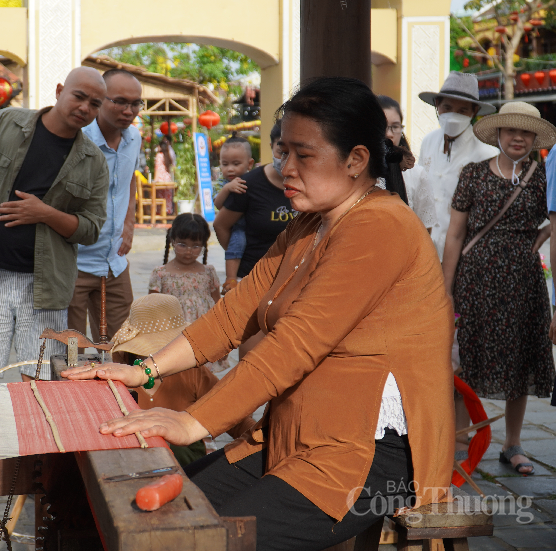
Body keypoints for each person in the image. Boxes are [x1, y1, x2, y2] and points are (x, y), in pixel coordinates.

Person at [65, 77, 454, 551]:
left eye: (303, 155)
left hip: (366, 458)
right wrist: (145, 371)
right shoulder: (310, 223)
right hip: (298, 432)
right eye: (282, 151)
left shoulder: (380, 225)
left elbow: (294, 344)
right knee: (161, 514)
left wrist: (193, 423)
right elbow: (234, 316)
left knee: (195, 538)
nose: (284, 167)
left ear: (355, 160)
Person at [0, 67, 109, 381]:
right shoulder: (5, 123)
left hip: (47, 288)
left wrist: (44, 213)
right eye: (79, 97)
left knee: (42, 382)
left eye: (95, 104)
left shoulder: (93, 162)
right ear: (60, 91)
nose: (85, 107)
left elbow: (91, 229)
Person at [442, 102, 556, 474]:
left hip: (523, 279)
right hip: (474, 279)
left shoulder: (542, 176)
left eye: (526, 132)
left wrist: (537, 238)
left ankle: (513, 443)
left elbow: (554, 221)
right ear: (499, 135)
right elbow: (456, 234)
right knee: (466, 358)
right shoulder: (473, 174)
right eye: (511, 131)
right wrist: (445, 289)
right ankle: (460, 441)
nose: (518, 137)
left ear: (535, 138)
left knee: (520, 359)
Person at [110, 294, 257, 466]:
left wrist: (259, 442)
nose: (158, 356)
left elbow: (230, 415)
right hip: (134, 458)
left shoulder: (192, 373)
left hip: (184, 459)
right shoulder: (118, 379)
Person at [68, 69, 142, 341]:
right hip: (74, 262)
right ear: (100, 100)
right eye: (120, 101)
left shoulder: (134, 138)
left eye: (136, 103)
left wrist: (129, 224)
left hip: (114, 261)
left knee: (124, 345)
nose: (129, 110)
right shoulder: (77, 139)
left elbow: (129, 180)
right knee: (69, 350)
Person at [412, 72, 497, 258]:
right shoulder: (428, 141)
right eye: (447, 108)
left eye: (462, 111)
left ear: (474, 112)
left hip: (463, 252)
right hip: (424, 246)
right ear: (437, 106)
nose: (452, 116)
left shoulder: (486, 154)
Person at [213, 123, 294, 285]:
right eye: (281, 152)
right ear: (271, 147)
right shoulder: (246, 185)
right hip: (252, 277)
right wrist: (237, 253)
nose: (288, 158)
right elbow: (220, 225)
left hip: (294, 278)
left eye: (296, 152)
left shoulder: (312, 184)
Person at [149, 213, 222, 371]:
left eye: (195, 246)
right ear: (172, 241)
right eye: (182, 244)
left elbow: (219, 306)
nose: (189, 251)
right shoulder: (160, 273)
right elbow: (152, 308)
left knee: (202, 374)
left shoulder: (208, 272)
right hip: (171, 335)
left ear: (203, 245)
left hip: (203, 334)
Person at [212, 137, 255, 294]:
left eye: (236, 164)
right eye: (225, 164)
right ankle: (231, 279)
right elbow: (217, 204)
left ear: (249, 164)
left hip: (251, 224)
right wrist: (227, 189)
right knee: (236, 243)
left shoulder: (252, 181)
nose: (230, 169)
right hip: (236, 226)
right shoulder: (222, 184)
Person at [377, 95, 415, 204]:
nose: (389, 134)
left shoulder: (416, 175)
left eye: (395, 127)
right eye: (382, 126)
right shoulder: (362, 173)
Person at [154, 137, 175, 215]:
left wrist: (154, 180)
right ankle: (168, 211)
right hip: (167, 179)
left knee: (160, 196)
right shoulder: (168, 155)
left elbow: (157, 169)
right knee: (167, 197)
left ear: (160, 147)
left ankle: (161, 212)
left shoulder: (159, 156)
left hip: (160, 180)